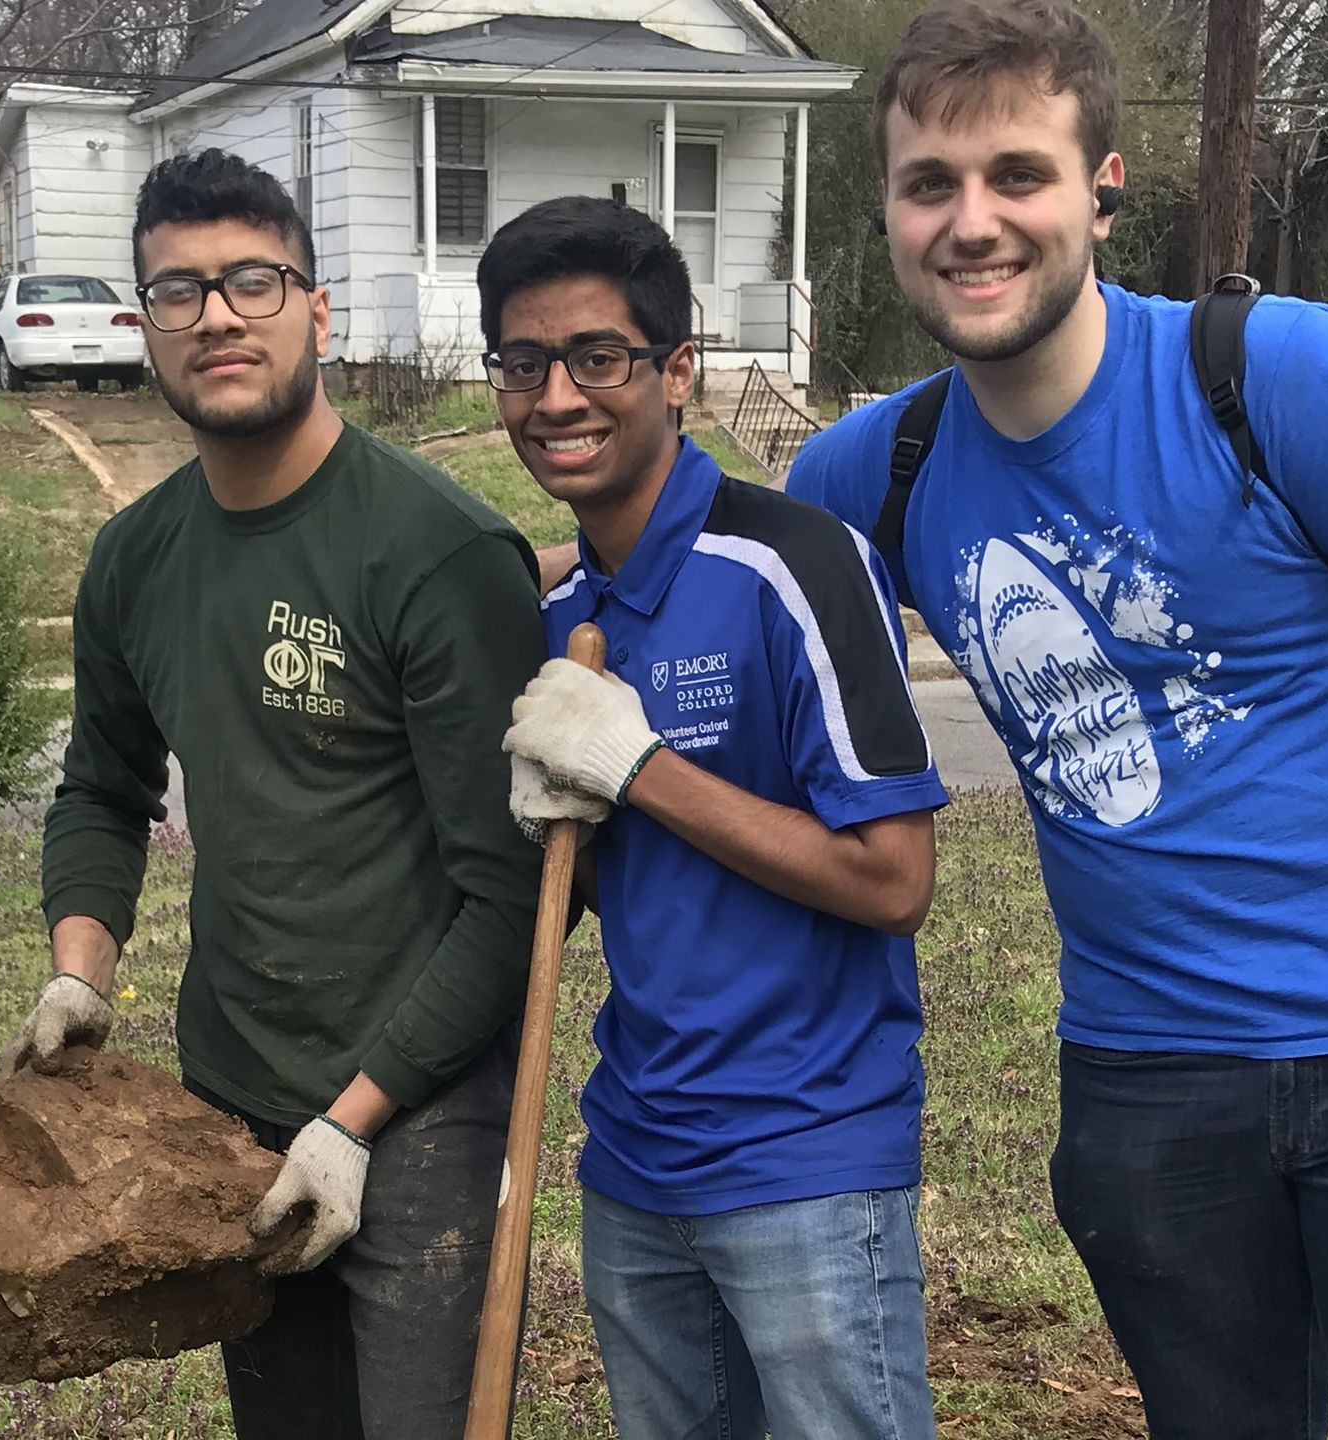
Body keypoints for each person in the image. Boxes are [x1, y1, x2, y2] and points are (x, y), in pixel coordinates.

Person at [785, 3, 1328, 1435]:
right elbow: (697, 586)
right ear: (886, 210)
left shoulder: (1273, 375)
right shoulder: (876, 470)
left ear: (1103, 192)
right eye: (931, 184)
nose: (971, 222)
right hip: (1146, 1080)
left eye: (1018, 176)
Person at [0, 148, 544, 1440]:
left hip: (421, 1103)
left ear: (317, 311)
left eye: (253, 279)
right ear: (145, 329)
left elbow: (513, 892)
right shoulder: (137, 559)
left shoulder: (436, 550)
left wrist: (358, 1119)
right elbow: (101, 786)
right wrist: (83, 965)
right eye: (179, 292)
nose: (219, 315)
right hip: (230, 1097)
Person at [477, 195, 951, 1440]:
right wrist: (553, 830)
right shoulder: (560, 611)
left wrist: (638, 766)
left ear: (677, 371)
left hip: (806, 1154)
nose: (558, 398)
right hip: (633, 1159)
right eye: (522, 366)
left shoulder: (797, 563)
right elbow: (589, 893)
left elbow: (895, 877)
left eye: (598, 358)